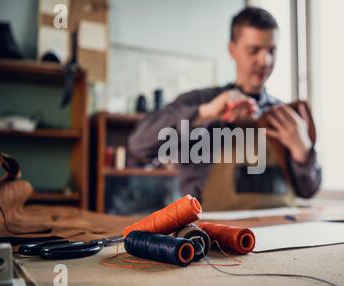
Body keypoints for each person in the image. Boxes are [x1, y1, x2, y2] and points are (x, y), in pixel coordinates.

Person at [128, 7, 321, 211]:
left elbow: (309, 191)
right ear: (232, 49)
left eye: (271, 50)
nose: (265, 61)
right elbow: (138, 145)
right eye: (254, 50)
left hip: (280, 226)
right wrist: (204, 113)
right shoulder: (200, 101)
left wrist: (303, 151)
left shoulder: (286, 116)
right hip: (214, 233)